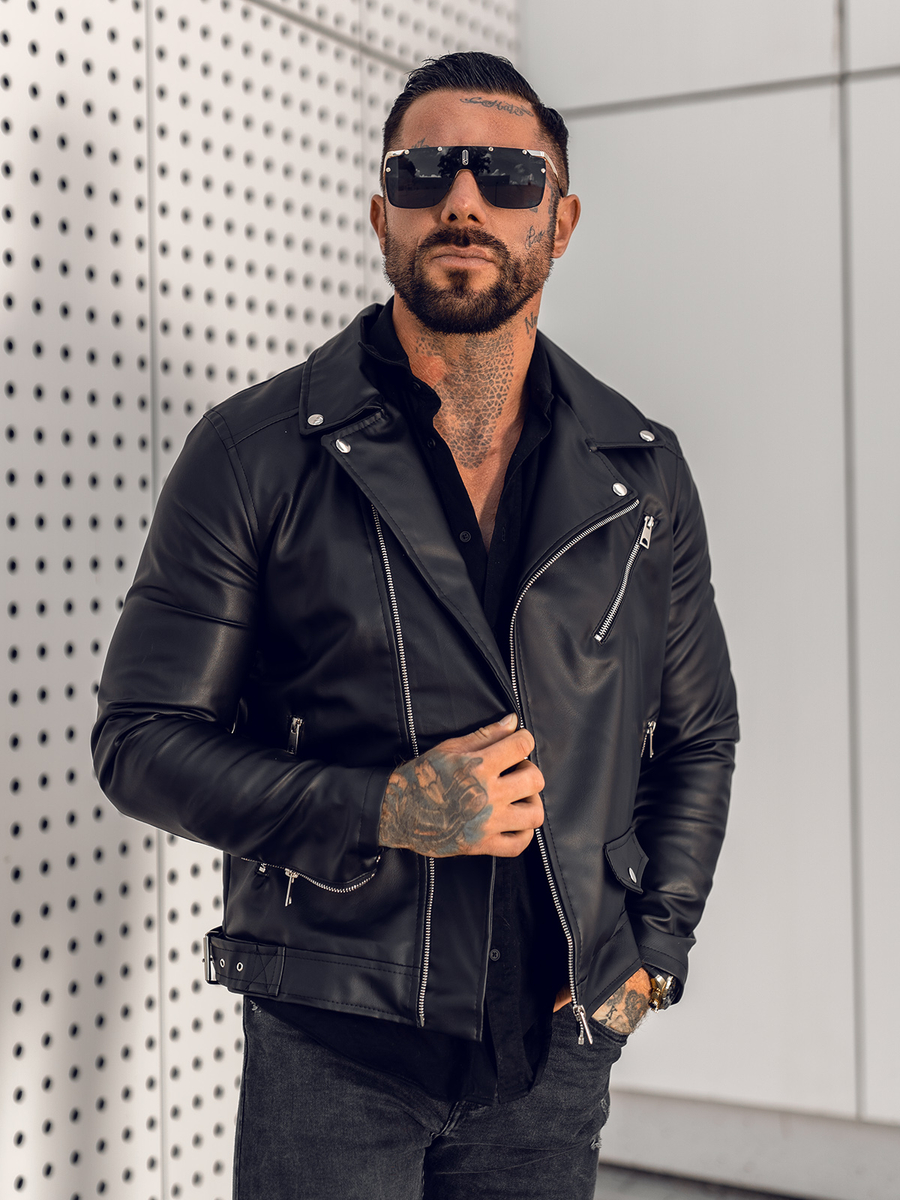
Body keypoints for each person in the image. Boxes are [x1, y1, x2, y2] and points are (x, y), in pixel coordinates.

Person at [93, 51, 738, 1200]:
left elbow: (698, 736)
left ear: (561, 220)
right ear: (381, 210)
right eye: (425, 170)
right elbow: (139, 741)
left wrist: (657, 950)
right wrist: (382, 809)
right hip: (331, 1040)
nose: (463, 200)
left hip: (555, 1048)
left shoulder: (641, 472)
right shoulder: (252, 453)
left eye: (507, 175)